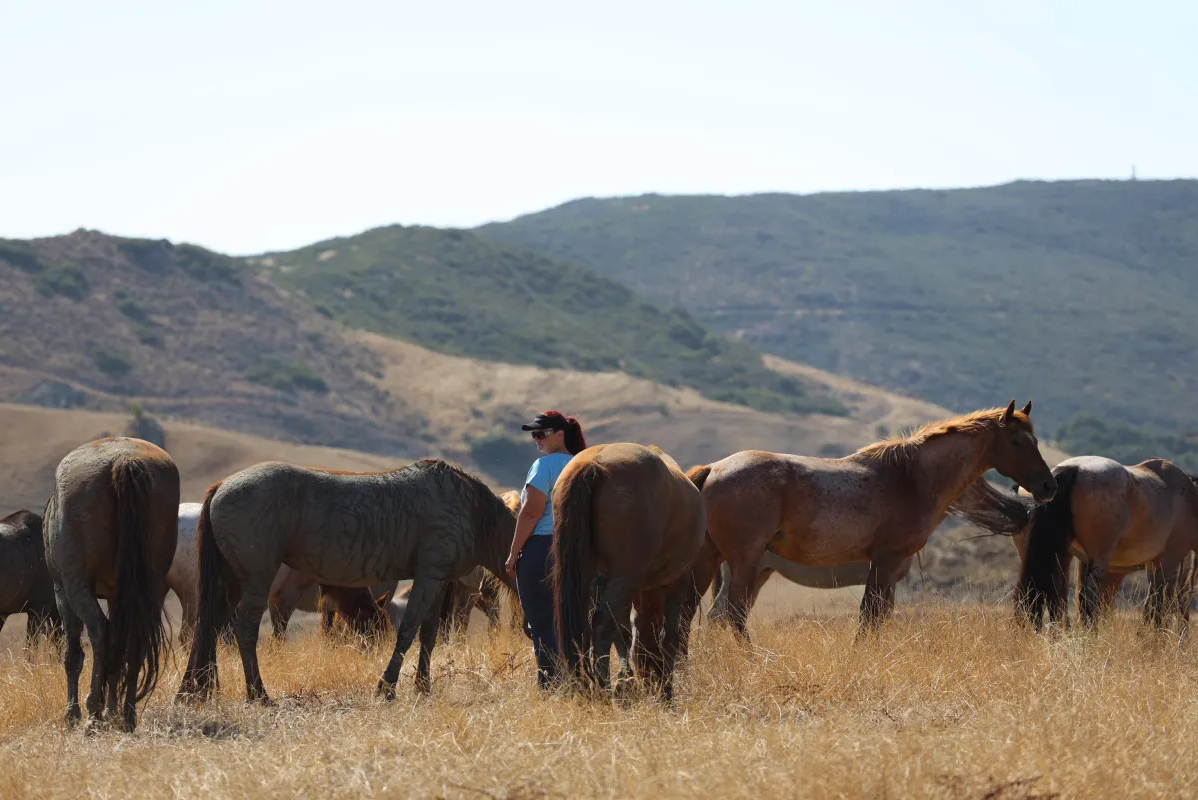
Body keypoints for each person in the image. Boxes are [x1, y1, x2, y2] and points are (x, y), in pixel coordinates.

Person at [504, 410, 588, 688]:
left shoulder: (545, 465)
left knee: (541, 624)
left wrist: (514, 553)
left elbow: (530, 513)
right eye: (533, 434)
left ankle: (552, 685)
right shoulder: (583, 463)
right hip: (580, 549)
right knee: (575, 621)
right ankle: (580, 680)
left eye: (541, 434)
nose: (536, 439)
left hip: (543, 547)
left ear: (560, 435)